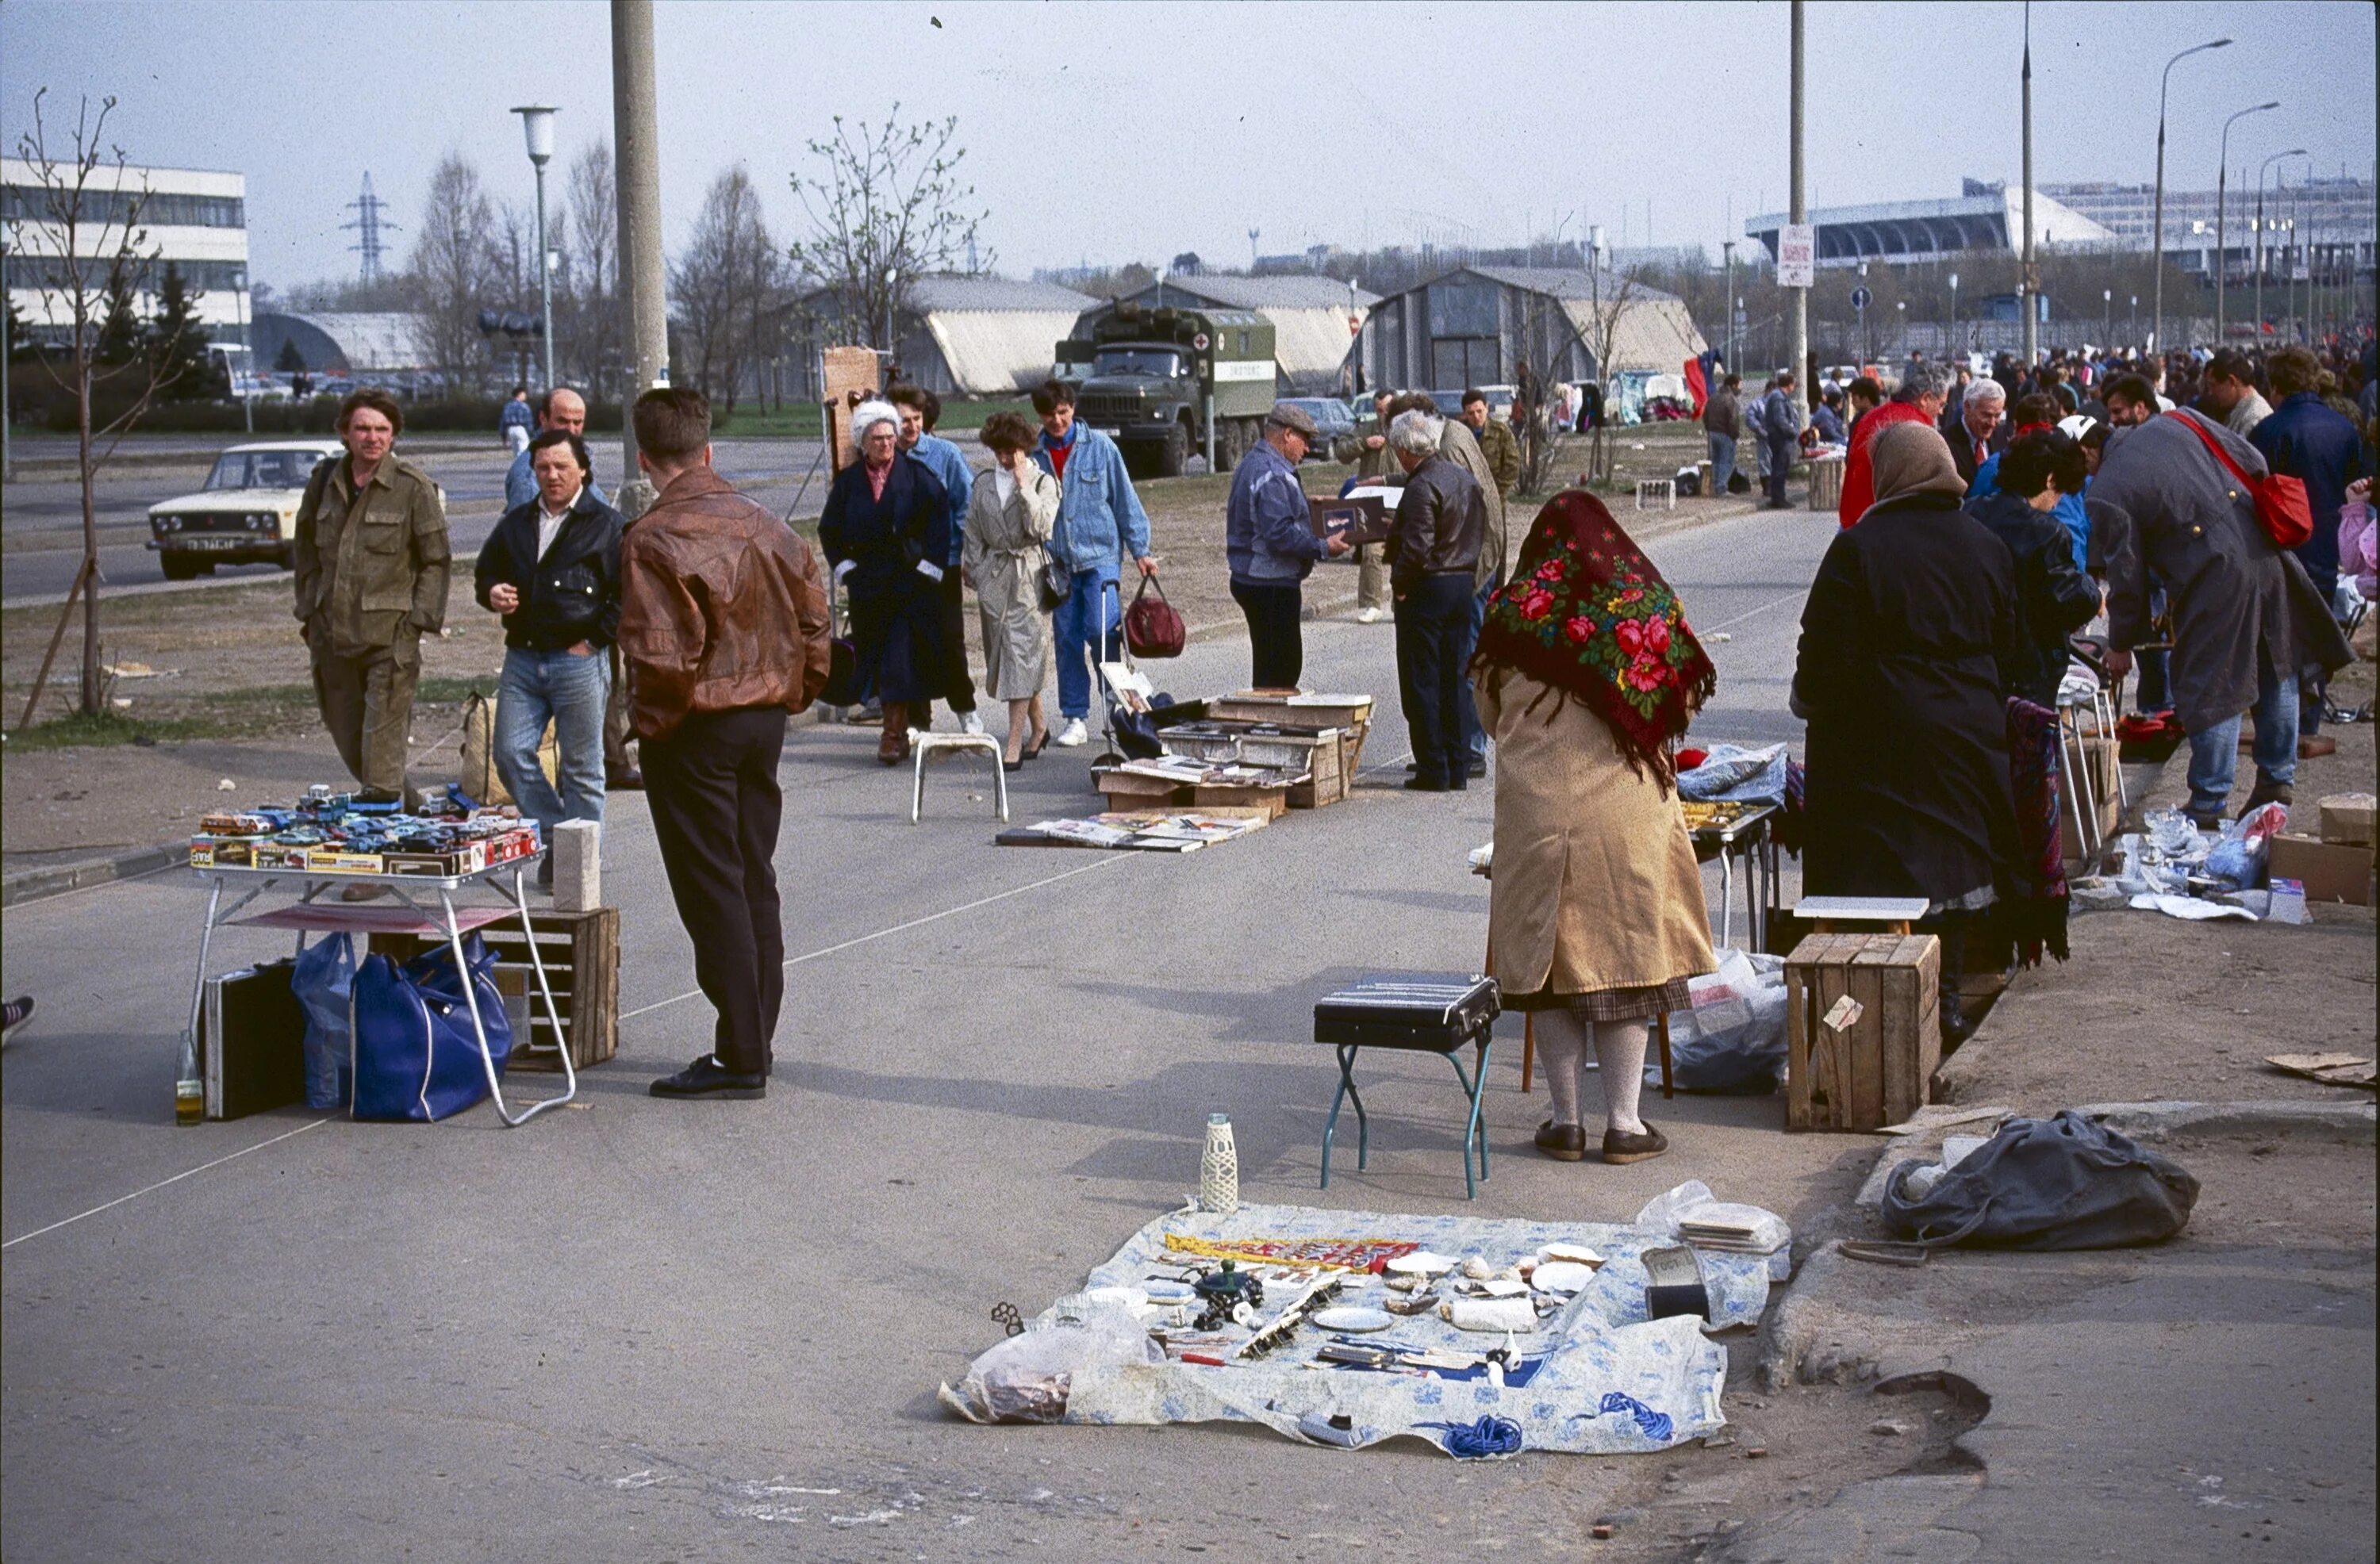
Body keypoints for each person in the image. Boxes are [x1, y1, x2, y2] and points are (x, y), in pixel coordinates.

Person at [1473, 489, 1718, 1165]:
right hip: (1627, 812)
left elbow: (1489, 716)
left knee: (1548, 965)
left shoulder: (1514, 611)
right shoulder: (1645, 607)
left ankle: (1567, 1121)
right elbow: (1682, 701)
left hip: (1537, 811)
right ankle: (1625, 1124)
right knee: (1626, 958)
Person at [617, 386, 831, 1101]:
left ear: (645, 458)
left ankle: (741, 1052)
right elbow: (816, 621)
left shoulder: (650, 539)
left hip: (696, 725)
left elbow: (661, 657)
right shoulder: (767, 524)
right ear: (708, 451)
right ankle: (753, 1038)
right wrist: (795, 691)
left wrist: (650, 728)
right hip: (762, 717)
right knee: (752, 875)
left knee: (714, 889)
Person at [1794, 423, 2021, 1040]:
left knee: (1886, 877)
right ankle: (1943, 1004)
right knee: (1949, 867)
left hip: (1881, 737)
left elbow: (1824, 649)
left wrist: (1810, 699)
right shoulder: (1985, 544)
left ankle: (1883, 1021)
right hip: (1968, 732)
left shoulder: (1860, 548)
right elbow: (2010, 643)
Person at [2089, 406, 2348, 826]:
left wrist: (2120, 644)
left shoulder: (2108, 487)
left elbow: (2127, 578)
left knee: (2216, 681)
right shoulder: (2179, 418)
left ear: (2088, 452)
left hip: (2214, 572)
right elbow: (2253, 460)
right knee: (2276, 664)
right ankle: (2277, 781)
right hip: (2265, 547)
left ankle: (2209, 800)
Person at [472, 430, 625, 889]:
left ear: (582, 469)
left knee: (582, 768)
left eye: (561, 466)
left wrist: (593, 642)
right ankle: (562, 842)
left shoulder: (608, 525)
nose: (552, 475)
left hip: (578, 660)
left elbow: (627, 596)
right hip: (522, 658)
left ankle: (577, 870)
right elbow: (487, 572)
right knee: (509, 753)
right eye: (543, 468)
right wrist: (491, 593)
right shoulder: (517, 522)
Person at [292, 389, 450, 811]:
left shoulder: (412, 488)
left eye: (382, 429)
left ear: (394, 435)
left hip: (389, 641)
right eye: (362, 428)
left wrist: (417, 623)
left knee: (380, 753)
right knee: (352, 742)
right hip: (331, 637)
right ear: (344, 433)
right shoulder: (324, 482)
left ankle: (382, 852)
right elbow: (305, 549)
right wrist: (308, 610)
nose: (372, 437)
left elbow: (436, 560)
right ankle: (417, 812)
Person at [821, 401, 951, 765]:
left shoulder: (918, 476)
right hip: (868, 588)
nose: (886, 444)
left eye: (890, 437)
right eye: (877, 438)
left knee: (899, 657)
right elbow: (829, 529)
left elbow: (941, 523)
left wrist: (929, 568)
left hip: (909, 586)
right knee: (880, 659)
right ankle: (916, 725)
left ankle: (892, 736)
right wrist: (845, 567)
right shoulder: (848, 483)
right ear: (863, 442)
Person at [1030, 378, 1155, 746]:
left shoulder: (1100, 447)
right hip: (1058, 566)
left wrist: (1141, 550)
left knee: (1103, 632)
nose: (1057, 420)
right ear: (1039, 414)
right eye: (1049, 414)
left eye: (1063, 412)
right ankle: (1075, 717)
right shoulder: (1034, 456)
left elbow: (1124, 500)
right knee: (1067, 639)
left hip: (1100, 557)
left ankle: (1118, 703)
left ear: (1073, 409)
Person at [2250, 345, 2363, 757]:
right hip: (2328, 546)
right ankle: (2310, 715)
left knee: (2280, 641)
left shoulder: (2268, 431)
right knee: (2317, 631)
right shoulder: (2344, 429)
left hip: (2282, 548)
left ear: (2276, 386)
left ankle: (2285, 723)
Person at [1382, 408, 1484, 792]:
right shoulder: (1463, 478)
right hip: (1461, 582)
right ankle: (1457, 762)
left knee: (1422, 678)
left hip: (1429, 586)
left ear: (1407, 451)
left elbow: (1418, 546)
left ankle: (1433, 766)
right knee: (1454, 676)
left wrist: (1401, 583)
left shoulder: (1421, 487)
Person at [1962, 428, 2102, 708]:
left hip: (1973, 657)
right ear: (2049, 479)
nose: (2058, 500)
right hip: (2027, 666)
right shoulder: (2047, 532)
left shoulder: (1971, 511)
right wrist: (2094, 593)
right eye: (2060, 490)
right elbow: (2067, 598)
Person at [960, 412, 1059, 769]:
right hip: (994, 578)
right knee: (1007, 657)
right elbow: (972, 530)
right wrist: (978, 569)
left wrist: (1022, 487)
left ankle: (1013, 744)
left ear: (1024, 448)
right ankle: (1040, 727)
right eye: (999, 451)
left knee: (1021, 655)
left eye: (1011, 451)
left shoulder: (1043, 482)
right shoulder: (983, 483)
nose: (1004, 458)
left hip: (1028, 579)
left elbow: (1042, 527)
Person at [1225, 401, 1346, 689]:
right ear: (1288, 434)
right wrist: (1324, 547)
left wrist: (1306, 508)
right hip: (1270, 581)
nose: (1306, 450)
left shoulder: (1254, 464)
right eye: (1304, 441)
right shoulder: (1273, 474)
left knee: (1270, 663)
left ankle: (1267, 722)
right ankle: (1270, 724)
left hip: (1254, 577)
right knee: (1282, 668)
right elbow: (1279, 534)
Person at [889, 384, 983, 736]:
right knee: (907, 641)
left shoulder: (945, 454)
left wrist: (957, 552)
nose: (910, 427)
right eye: (902, 420)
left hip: (942, 564)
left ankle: (966, 710)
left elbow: (967, 503)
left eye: (915, 419)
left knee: (948, 639)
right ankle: (918, 721)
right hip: (900, 568)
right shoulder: (882, 456)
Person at [1837, 361, 1954, 527]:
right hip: (1886, 523)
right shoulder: (1918, 428)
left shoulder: (1871, 416)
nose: (1941, 411)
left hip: (1853, 518)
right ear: (1926, 398)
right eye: (1941, 404)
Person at [504, 388, 608, 512]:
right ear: (543, 419)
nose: (570, 429)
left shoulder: (580, 458)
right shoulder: (529, 479)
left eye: (577, 422)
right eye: (562, 421)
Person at [1753, 370, 1805, 509]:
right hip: (1780, 438)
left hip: (1780, 437)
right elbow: (1780, 420)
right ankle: (1778, 498)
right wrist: (1794, 432)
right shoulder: (1778, 398)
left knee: (1780, 467)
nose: (1794, 388)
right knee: (1780, 468)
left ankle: (1779, 497)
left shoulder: (1779, 396)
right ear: (1789, 385)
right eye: (1793, 385)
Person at [1945, 378, 2008, 489]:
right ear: (1967, 407)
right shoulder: (1945, 443)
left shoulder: (2000, 435)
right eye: (1986, 415)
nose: (1993, 424)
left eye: (1997, 416)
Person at [1461, 387, 1521, 500]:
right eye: (1471, 413)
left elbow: (1512, 465)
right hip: (1466, 499)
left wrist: (1495, 491)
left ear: (1487, 408)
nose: (1476, 417)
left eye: (1480, 411)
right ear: (1464, 413)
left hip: (1495, 497)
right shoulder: (1459, 434)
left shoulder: (1501, 431)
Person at [2198, 349, 2273, 437]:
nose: (2211, 392)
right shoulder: (2239, 410)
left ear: (2231, 381)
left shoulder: (2254, 418)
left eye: (2213, 385)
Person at [1703, 372, 1743, 497]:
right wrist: (1735, 435)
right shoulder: (1731, 400)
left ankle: (1716, 485)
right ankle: (1721, 488)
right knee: (1726, 461)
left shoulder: (1713, 397)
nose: (1741, 389)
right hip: (1726, 434)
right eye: (1739, 385)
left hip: (1712, 433)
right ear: (1733, 385)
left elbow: (1705, 415)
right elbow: (1733, 420)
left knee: (1715, 460)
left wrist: (1709, 428)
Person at [1844, 375, 1884, 445]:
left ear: (1866, 399)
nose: (1852, 402)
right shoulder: (1857, 418)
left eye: (1854, 398)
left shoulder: (1881, 421)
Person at [499, 385, 535, 455]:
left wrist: (504, 437)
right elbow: (529, 421)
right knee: (524, 451)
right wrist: (531, 434)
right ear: (520, 394)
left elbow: (502, 422)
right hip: (521, 428)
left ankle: (517, 464)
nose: (525, 396)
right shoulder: (524, 406)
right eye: (524, 394)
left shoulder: (507, 406)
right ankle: (523, 465)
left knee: (516, 451)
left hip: (511, 429)